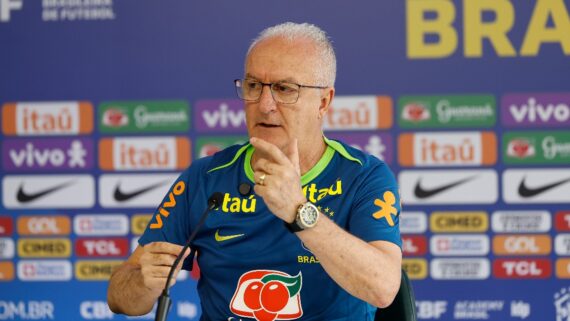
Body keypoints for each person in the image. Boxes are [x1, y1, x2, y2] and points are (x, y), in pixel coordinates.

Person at [107, 22, 402, 320]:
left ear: (323, 101)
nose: (264, 105)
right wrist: (143, 284)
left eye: (284, 89)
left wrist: (298, 212)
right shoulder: (205, 177)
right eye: (253, 86)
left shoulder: (364, 176)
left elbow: (383, 288)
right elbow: (120, 299)